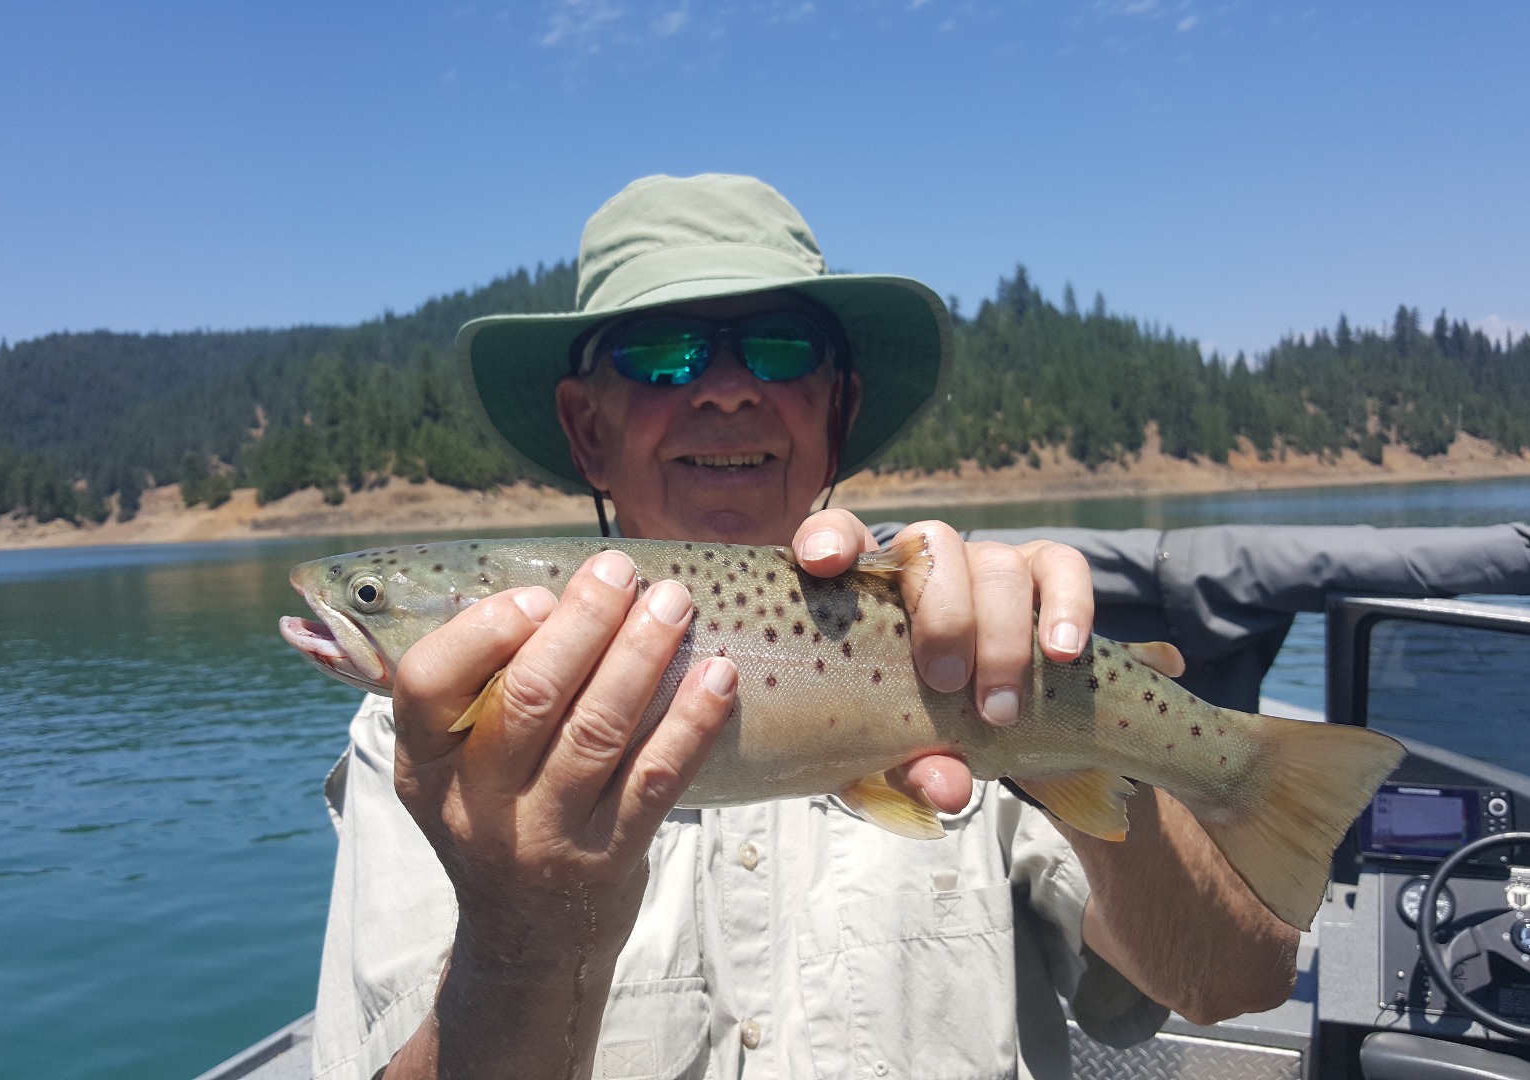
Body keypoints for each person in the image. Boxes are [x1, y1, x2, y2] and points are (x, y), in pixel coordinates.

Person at [311, 174, 1297, 1080]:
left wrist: (1069, 708)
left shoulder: (972, 628)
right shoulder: (423, 746)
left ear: (840, 408)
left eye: (780, 348)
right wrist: (523, 941)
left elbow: (1233, 984)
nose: (726, 388)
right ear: (586, 429)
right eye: (660, 353)